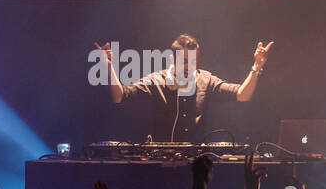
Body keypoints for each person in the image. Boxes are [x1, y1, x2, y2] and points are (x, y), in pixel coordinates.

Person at [95, 34, 274, 142]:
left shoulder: (205, 79)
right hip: (161, 161)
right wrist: (108, 66)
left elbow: (243, 95)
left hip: (195, 163)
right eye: (185, 61)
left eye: (193, 61)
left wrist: (257, 66)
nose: (190, 66)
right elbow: (119, 96)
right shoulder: (158, 79)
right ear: (172, 59)